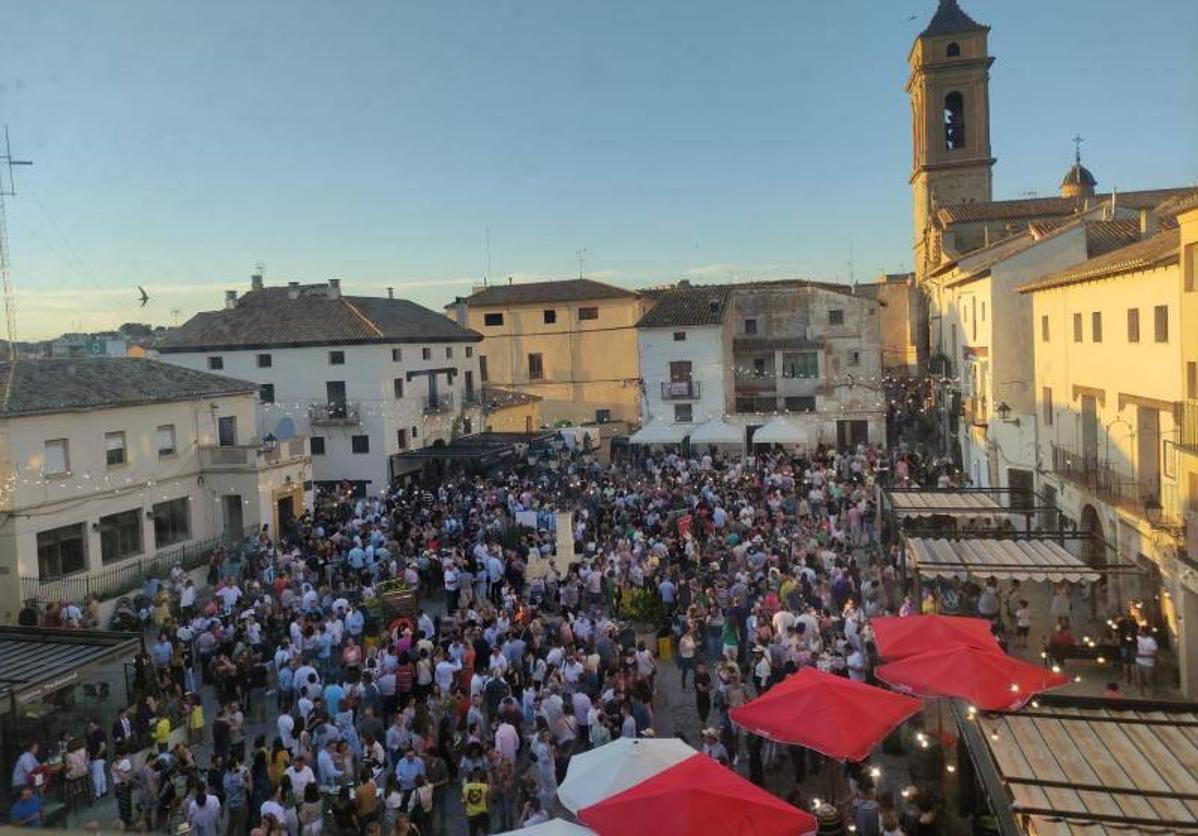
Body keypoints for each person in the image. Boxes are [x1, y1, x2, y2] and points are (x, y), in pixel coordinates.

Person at [461, 768, 490, 836]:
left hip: (471, 814)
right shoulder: (484, 787)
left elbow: (463, 801)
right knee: (485, 832)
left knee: (472, 832)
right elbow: (488, 798)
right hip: (482, 813)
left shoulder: (466, 788)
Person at [1135, 624, 1158, 695]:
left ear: (1144, 632)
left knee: (1149, 680)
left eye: (1140, 631)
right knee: (1139, 680)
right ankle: (1141, 694)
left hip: (1148, 663)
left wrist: (1141, 655)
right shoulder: (1137, 638)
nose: (1138, 632)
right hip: (1139, 662)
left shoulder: (1151, 641)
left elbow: (1154, 655)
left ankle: (1152, 693)